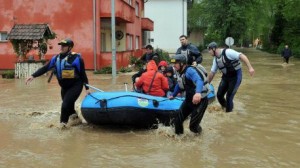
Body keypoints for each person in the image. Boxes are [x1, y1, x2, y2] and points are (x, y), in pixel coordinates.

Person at [25, 38, 90, 128]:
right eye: (61, 45)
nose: (62, 47)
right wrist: (33, 76)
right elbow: (45, 68)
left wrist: (87, 89)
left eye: (64, 46)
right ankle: (77, 121)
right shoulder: (56, 58)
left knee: (64, 105)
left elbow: (83, 74)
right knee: (69, 107)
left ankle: (62, 126)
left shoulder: (77, 58)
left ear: (70, 47)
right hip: (64, 87)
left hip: (75, 85)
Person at [207, 42, 255, 112]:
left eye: (209, 50)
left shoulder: (228, 52)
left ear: (214, 49)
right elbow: (212, 73)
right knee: (219, 95)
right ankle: (226, 107)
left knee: (229, 96)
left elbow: (242, 56)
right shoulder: (216, 59)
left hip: (236, 76)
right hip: (226, 77)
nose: (209, 52)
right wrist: (206, 84)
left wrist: (250, 68)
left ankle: (229, 113)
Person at [169, 54, 210, 135]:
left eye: (176, 63)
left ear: (182, 63)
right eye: (173, 63)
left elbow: (199, 80)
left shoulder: (190, 71)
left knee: (193, 127)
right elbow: (179, 84)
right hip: (189, 100)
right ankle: (180, 140)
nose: (174, 65)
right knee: (177, 121)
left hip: (200, 101)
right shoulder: (178, 72)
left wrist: (198, 93)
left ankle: (201, 137)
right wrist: (173, 95)